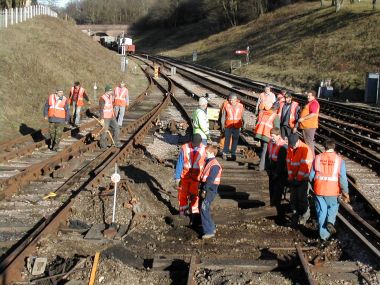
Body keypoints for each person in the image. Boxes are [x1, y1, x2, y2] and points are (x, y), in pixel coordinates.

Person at [309, 139, 349, 241]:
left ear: (324, 147)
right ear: (334, 147)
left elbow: (311, 176)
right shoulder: (339, 160)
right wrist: (345, 191)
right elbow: (343, 178)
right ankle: (330, 222)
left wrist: (312, 185)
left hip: (319, 189)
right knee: (333, 207)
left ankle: (324, 235)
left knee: (322, 211)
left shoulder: (317, 158)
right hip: (332, 190)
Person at [174, 134, 206, 217]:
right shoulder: (185, 148)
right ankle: (182, 213)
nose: (195, 146)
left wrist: (204, 178)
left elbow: (206, 164)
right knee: (182, 195)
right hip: (185, 177)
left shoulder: (204, 149)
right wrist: (177, 177)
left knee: (194, 196)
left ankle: (193, 215)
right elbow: (180, 163)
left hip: (196, 178)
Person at [286, 133, 313, 226]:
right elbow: (288, 163)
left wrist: (298, 179)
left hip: (303, 179)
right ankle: (295, 214)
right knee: (293, 198)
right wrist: (290, 178)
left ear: (298, 141)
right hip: (294, 178)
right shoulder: (290, 148)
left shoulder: (305, 149)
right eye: (291, 145)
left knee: (302, 198)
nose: (292, 147)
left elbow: (304, 166)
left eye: (294, 145)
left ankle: (304, 216)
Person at [199, 145, 222, 239]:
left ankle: (209, 231)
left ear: (212, 153)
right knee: (205, 208)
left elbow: (211, 179)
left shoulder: (215, 164)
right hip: (207, 188)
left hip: (210, 189)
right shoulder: (209, 162)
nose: (205, 154)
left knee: (204, 208)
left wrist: (204, 189)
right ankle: (211, 227)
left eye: (206, 153)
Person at [267, 127, 288, 223]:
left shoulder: (282, 146)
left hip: (280, 172)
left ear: (278, 136)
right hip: (272, 168)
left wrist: (276, 173)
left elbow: (282, 162)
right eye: (271, 136)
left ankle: (277, 212)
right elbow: (269, 156)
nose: (272, 138)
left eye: (273, 136)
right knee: (271, 189)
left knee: (278, 192)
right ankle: (273, 208)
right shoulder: (271, 143)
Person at [254, 103, 280, 171]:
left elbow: (257, 121)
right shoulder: (275, 116)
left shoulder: (264, 112)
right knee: (265, 151)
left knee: (263, 149)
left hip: (260, 133)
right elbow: (276, 128)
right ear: (277, 109)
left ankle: (264, 165)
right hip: (267, 135)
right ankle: (262, 167)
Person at [44, 87, 70, 151]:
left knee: (58, 133)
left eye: (62, 92)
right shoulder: (50, 97)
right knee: (52, 133)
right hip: (52, 118)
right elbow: (46, 106)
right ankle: (53, 144)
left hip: (61, 119)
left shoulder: (64, 99)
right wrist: (45, 115)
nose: (62, 93)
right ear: (56, 92)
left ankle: (56, 146)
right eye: (60, 92)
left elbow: (67, 110)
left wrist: (67, 119)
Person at [221, 94, 245, 161]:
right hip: (228, 125)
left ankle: (233, 153)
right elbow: (223, 116)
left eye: (232, 100)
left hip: (237, 126)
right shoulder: (226, 105)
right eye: (230, 100)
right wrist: (222, 124)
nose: (231, 101)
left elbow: (243, 115)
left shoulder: (240, 106)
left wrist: (244, 124)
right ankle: (225, 153)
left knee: (235, 140)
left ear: (236, 100)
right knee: (227, 140)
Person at [99, 85, 122, 149]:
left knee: (117, 128)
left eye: (111, 91)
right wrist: (102, 119)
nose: (111, 92)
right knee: (104, 131)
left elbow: (112, 105)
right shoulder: (102, 98)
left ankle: (116, 142)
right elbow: (101, 109)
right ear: (106, 91)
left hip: (111, 116)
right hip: (105, 117)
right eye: (110, 91)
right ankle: (103, 145)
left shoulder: (111, 96)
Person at [298, 90, 320, 157]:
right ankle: (308, 157)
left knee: (309, 143)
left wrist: (303, 118)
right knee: (307, 142)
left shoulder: (314, 103)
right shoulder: (310, 102)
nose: (307, 97)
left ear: (313, 96)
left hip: (309, 126)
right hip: (306, 126)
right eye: (307, 95)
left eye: (309, 96)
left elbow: (313, 114)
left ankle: (311, 159)